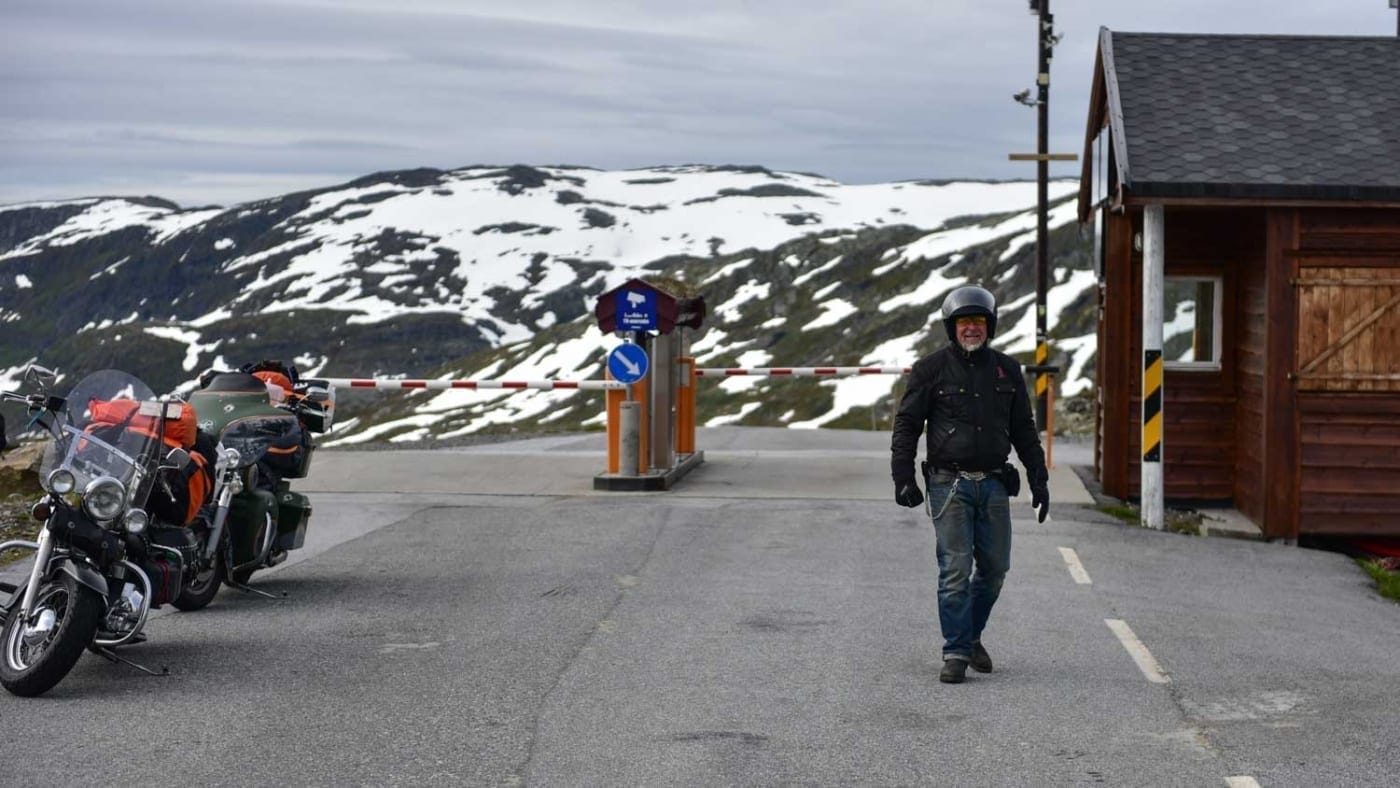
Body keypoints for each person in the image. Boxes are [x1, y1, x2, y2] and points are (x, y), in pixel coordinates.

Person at [890, 285, 1050, 685]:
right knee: (955, 569)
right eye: (964, 322)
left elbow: (1024, 430)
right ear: (952, 327)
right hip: (948, 485)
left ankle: (971, 634)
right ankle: (957, 651)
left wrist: (1039, 478)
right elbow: (907, 425)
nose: (972, 329)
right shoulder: (930, 370)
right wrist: (903, 477)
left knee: (996, 569)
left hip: (995, 484)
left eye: (978, 321)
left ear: (990, 325)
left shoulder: (1007, 371)